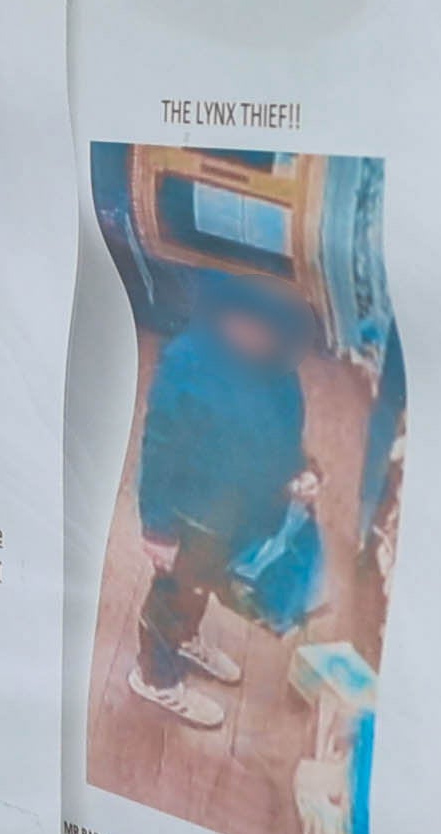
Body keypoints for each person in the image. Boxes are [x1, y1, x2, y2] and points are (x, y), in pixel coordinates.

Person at [126, 279, 314, 733]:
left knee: (204, 584)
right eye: (254, 324)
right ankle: (155, 675)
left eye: (275, 330)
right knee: (176, 595)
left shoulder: (277, 368)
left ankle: (186, 638)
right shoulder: (186, 363)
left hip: (239, 513)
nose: (263, 337)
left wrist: (298, 471)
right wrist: (157, 528)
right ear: (226, 312)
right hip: (190, 514)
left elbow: (286, 428)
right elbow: (160, 447)